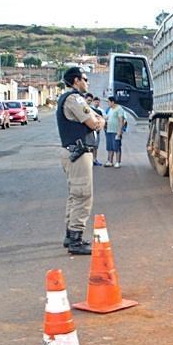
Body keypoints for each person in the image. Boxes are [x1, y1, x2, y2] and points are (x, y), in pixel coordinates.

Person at [57, 67, 104, 254]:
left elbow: (95, 117)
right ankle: (76, 240)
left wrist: (97, 119)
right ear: (76, 80)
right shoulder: (74, 99)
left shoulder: (69, 99)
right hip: (78, 152)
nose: (87, 82)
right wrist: (99, 122)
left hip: (72, 152)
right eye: (85, 79)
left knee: (75, 195)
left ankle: (71, 235)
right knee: (83, 195)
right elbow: (94, 122)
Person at [103, 96, 127, 168]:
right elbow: (107, 118)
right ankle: (110, 161)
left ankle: (117, 162)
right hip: (109, 130)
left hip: (115, 131)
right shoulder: (109, 109)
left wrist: (119, 132)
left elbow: (121, 121)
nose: (108, 104)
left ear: (112, 102)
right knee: (109, 147)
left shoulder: (119, 109)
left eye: (108, 102)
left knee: (116, 147)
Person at [85, 93, 104, 166]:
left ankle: (94, 160)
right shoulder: (80, 110)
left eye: (90, 100)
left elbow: (100, 120)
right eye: (88, 100)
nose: (89, 102)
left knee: (95, 146)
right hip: (85, 132)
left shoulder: (96, 111)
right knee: (87, 147)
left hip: (94, 132)